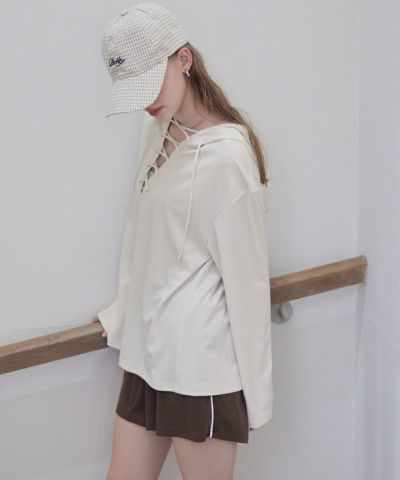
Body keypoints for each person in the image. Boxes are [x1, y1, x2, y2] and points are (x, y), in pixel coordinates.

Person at [90, 2, 273, 479]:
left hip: (198, 366)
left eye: (150, 82)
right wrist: (121, 313)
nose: (146, 101)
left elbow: (249, 284)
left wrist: (256, 398)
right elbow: (142, 235)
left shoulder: (229, 158)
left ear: (184, 60)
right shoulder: (156, 128)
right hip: (145, 352)